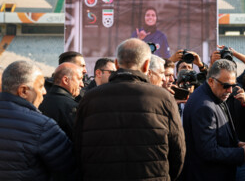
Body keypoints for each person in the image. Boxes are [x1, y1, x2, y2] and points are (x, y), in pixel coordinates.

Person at [74, 38, 185, 180]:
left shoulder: (89, 99)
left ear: (116, 63)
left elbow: (77, 148)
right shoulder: (164, 98)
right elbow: (178, 151)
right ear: (146, 66)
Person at [0, 60, 76, 180]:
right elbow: (69, 171)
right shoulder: (43, 127)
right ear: (24, 91)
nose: (45, 91)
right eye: (41, 86)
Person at [182, 59, 245, 181]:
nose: (230, 91)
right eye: (226, 86)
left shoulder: (214, 95)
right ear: (211, 81)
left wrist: (236, 143)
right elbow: (208, 151)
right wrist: (240, 154)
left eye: (233, 85)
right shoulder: (204, 106)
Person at [39, 62, 84, 140]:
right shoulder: (72, 107)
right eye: (79, 79)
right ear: (66, 80)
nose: (82, 84)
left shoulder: (39, 102)